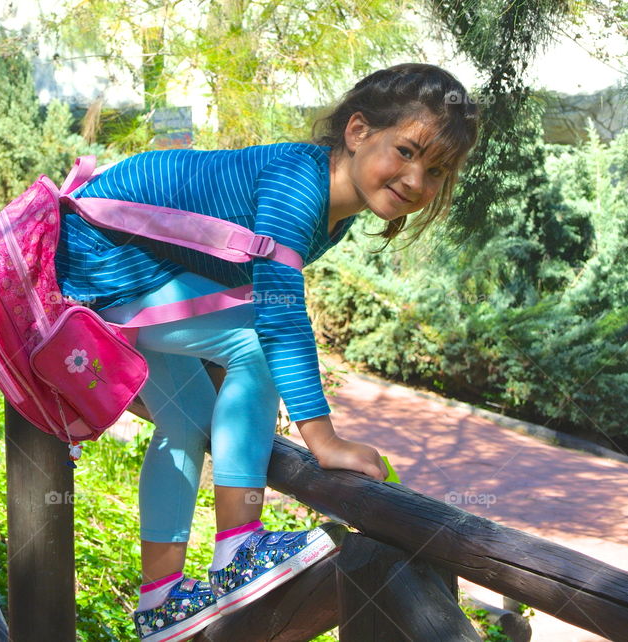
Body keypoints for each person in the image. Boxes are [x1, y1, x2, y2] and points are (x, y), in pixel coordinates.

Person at [55, 62, 479, 641]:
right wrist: (324, 440)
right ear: (358, 132)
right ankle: (239, 550)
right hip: (100, 260)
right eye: (405, 151)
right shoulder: (299, 185)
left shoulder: (330, 204)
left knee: (185, 421)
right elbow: (276, 313)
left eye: (436, 171)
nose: (415, 179)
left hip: (115, 264)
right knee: (254, 344)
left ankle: (159, 597)